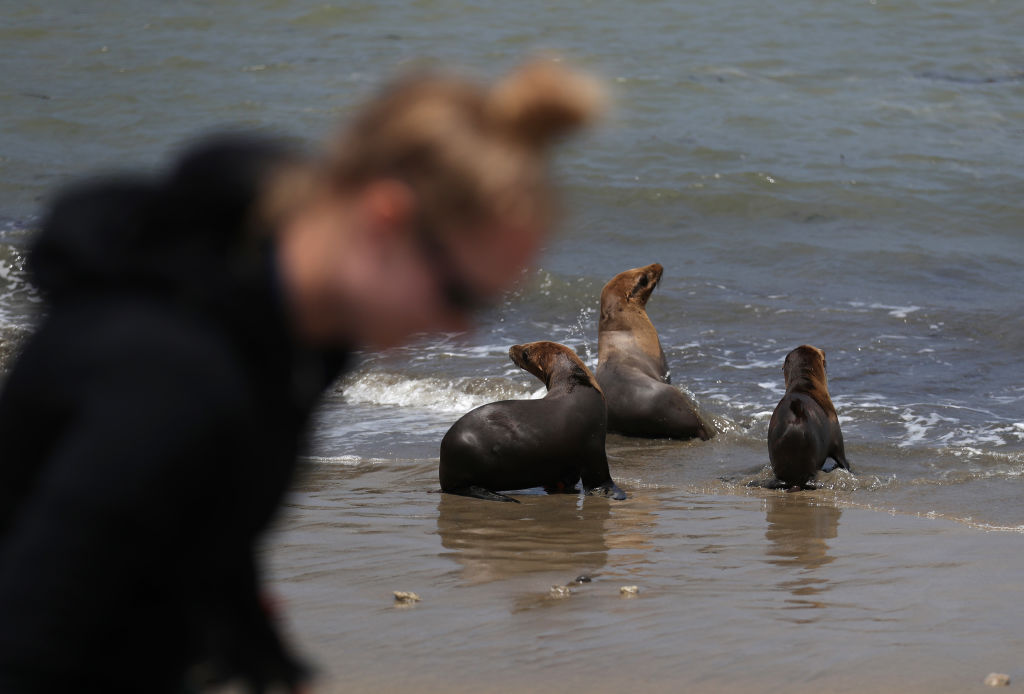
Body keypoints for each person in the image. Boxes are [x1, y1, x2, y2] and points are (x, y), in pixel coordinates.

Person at [0, 59, 602, 693]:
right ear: (385, 222)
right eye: (460, 294)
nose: (461, 330)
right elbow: (32, 631)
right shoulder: (171, 373)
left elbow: (196, 537)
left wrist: (265, 658)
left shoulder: (283, 338)